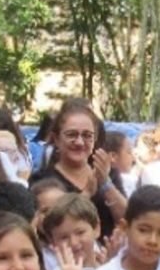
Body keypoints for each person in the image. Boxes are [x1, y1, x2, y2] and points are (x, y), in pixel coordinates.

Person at [32, 101, 127, 238]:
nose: (80, 142)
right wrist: (86, 193)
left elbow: (128, 221)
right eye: (72, 135)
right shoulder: (42, 180)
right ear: (56, 139)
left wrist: (106, 185)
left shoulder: (108, 172)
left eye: (87, 136)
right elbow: (48, 227)